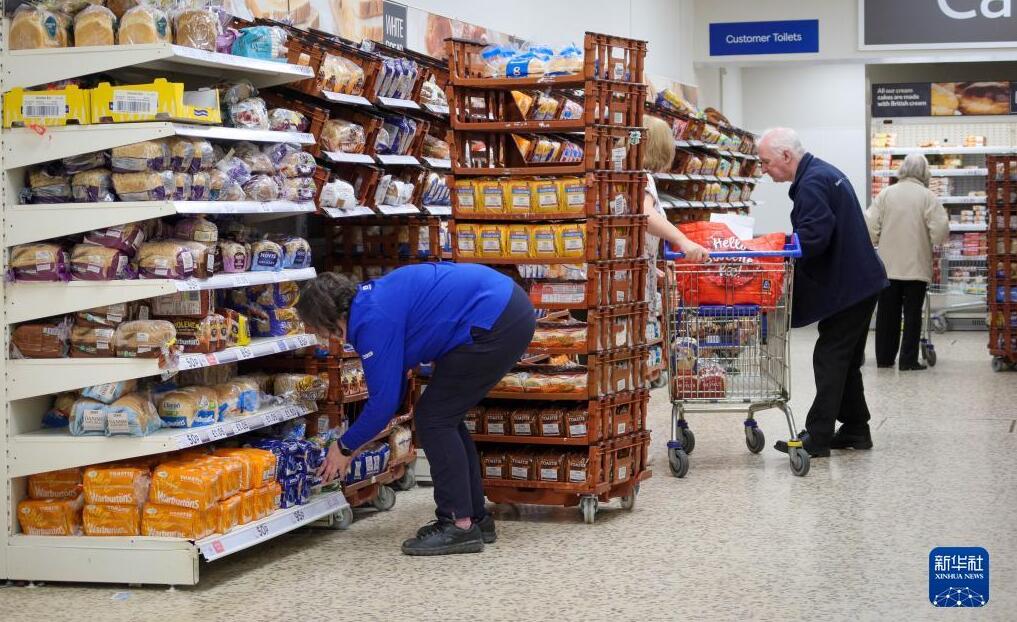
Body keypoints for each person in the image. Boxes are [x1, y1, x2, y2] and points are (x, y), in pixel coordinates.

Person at [295, 264, 535, 556]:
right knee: (444, 416)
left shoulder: (370, 322)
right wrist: (356, 443)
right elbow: (391, 390)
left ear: (327, 321)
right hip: (503, 307)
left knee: (435, 419)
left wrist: (344, 447)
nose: (324, 338)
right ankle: (475, 518)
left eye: (319, 330)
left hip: (494, 320)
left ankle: (458, 526)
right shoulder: (369, 300)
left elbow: (383, 404)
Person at [757, 128, 888, 457]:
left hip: (852, 286)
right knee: (844, 359)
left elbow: (814, 238)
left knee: (829, 356)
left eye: (765, 162)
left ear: (786, 157)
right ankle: (857, 429)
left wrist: (777, 249)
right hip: (860, 281)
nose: (763, 169)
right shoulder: (822, 173)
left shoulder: (814, 182)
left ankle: (817, 437)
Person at [866, 153, 949, 371]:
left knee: (887, 314)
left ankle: (884, 358)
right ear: (924, 173)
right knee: (913, 316)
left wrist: (876, 239)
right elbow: (940, 231)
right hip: (916, 267)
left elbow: (870, 227)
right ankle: (908, 360)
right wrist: (933, 241)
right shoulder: (927, 197)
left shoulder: (886, 194)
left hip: (888, 267)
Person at [642, 116, 710, 295]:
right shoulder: (643, 178)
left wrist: (648, 268)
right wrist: (683, 241)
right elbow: (645, 213)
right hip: (633, 286)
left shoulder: (622, 174)